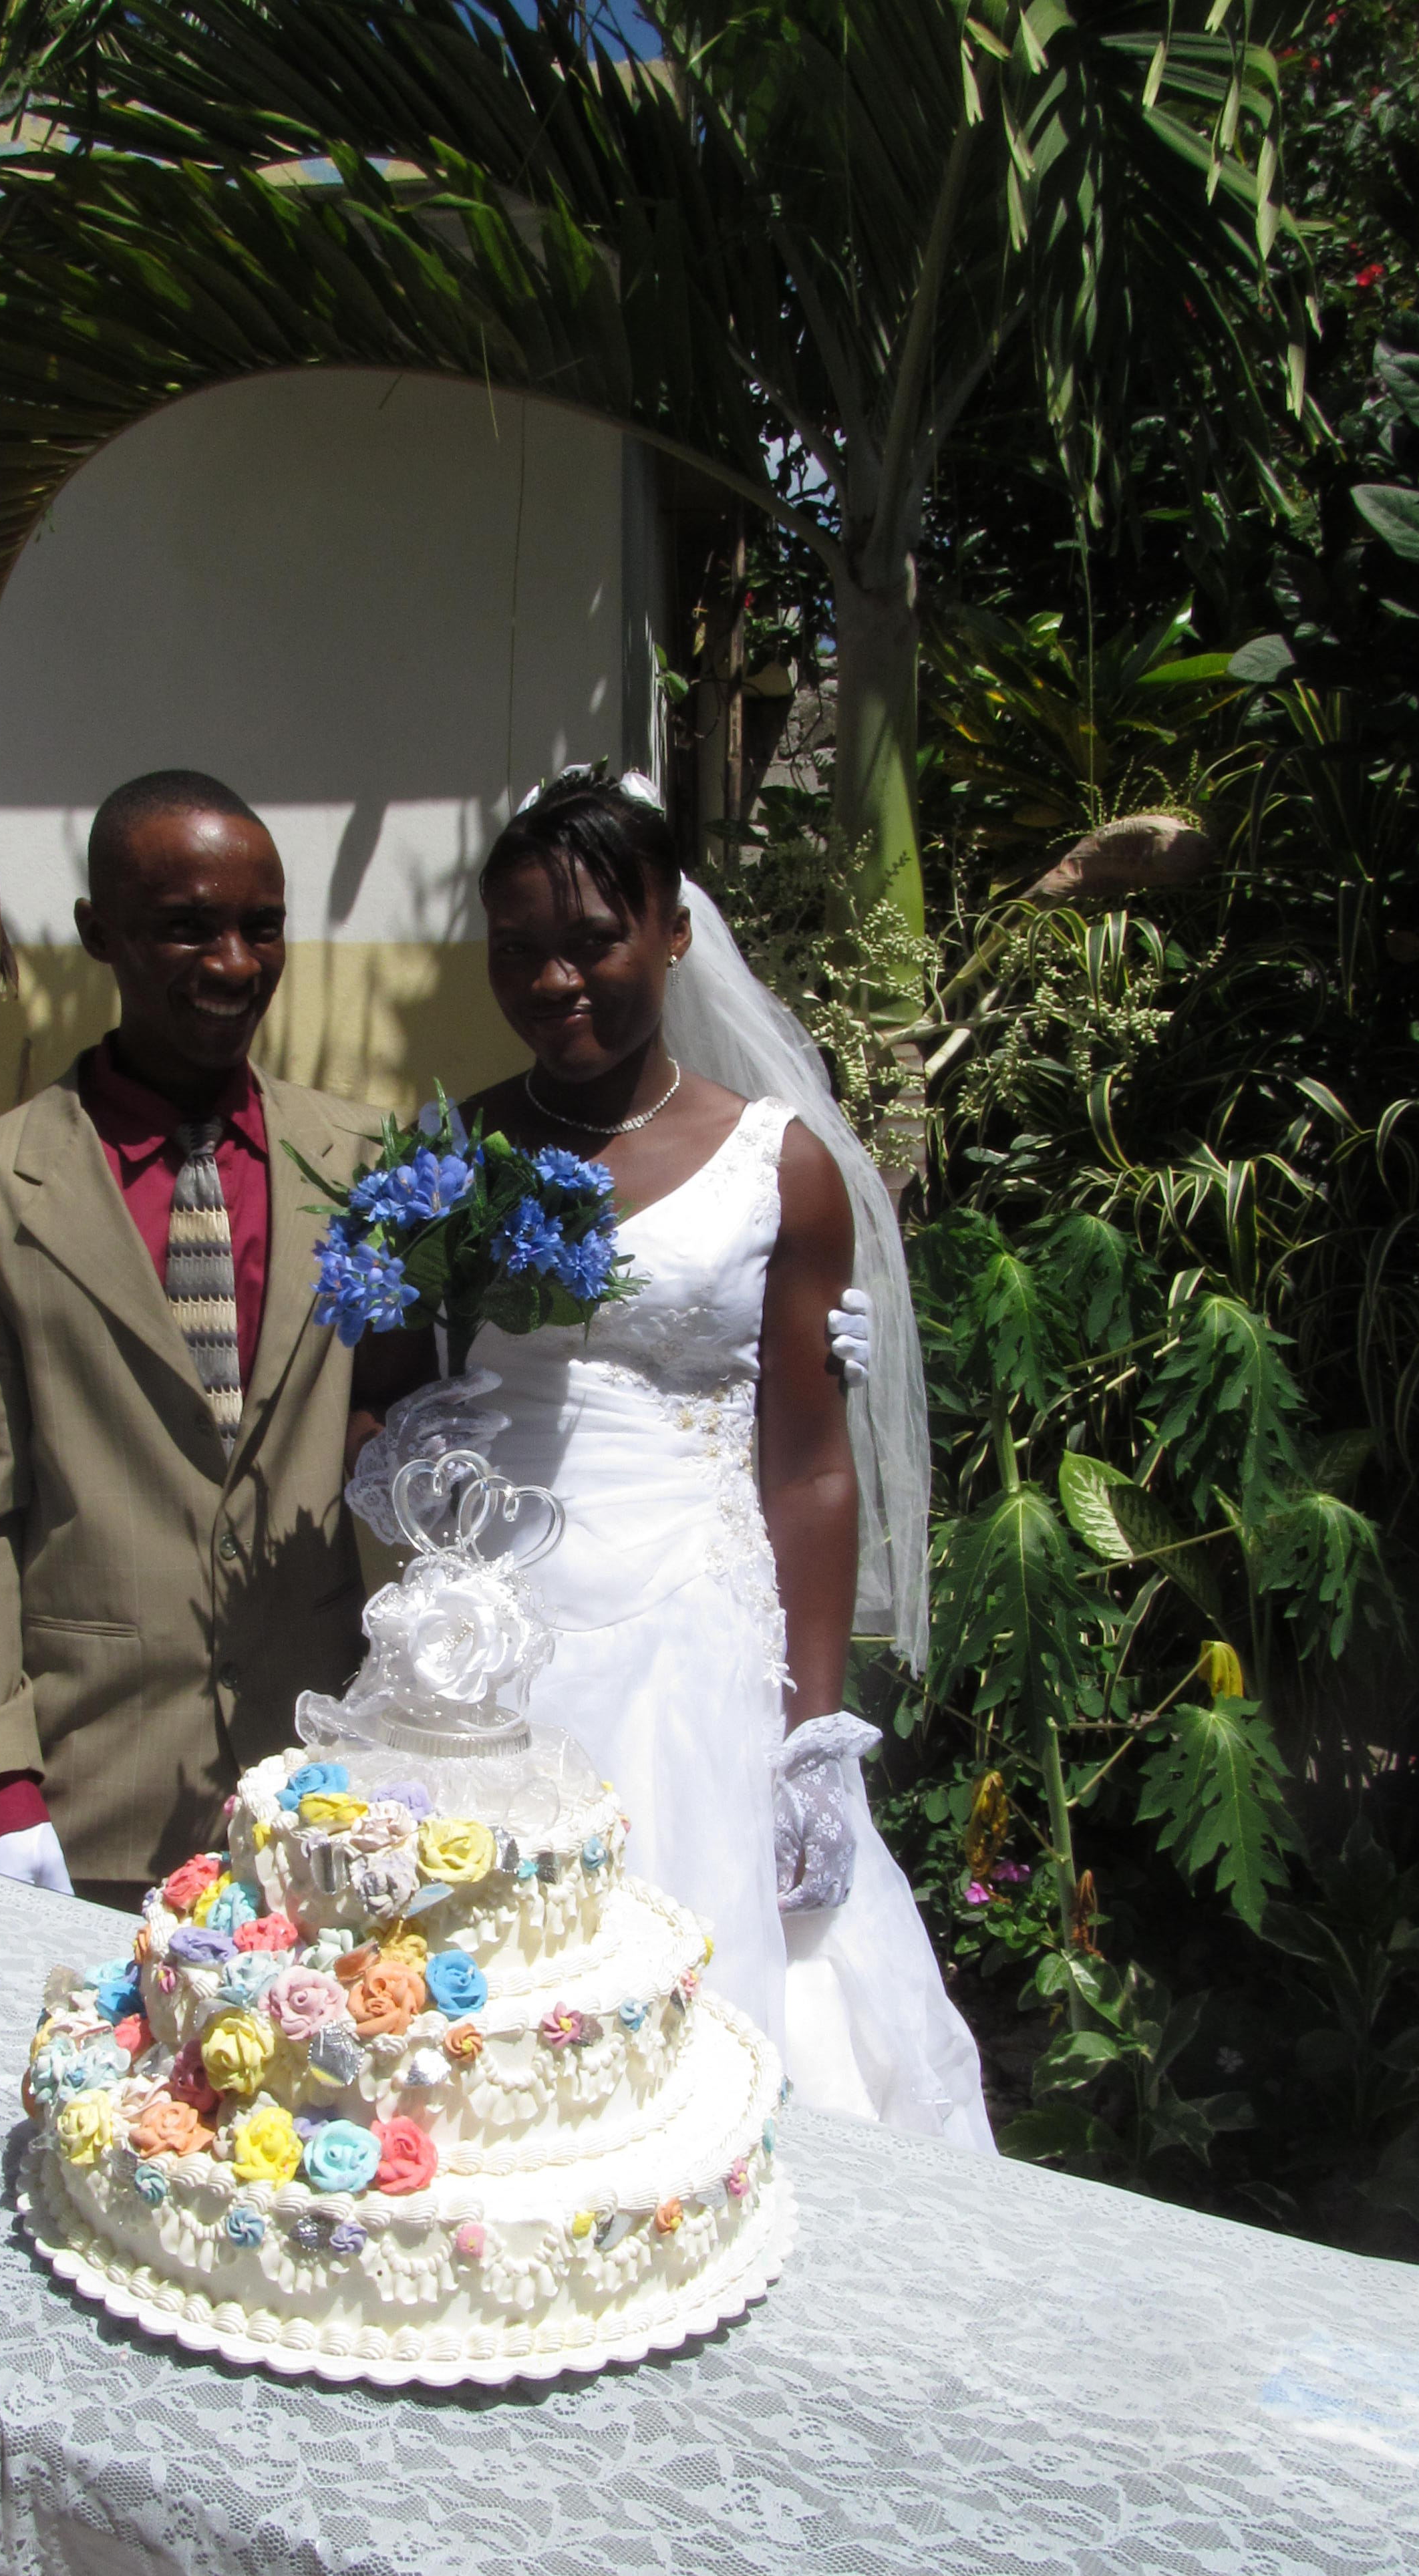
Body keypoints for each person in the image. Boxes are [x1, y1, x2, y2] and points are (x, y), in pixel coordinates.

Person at [348, 768, 991, 2146]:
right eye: (518, 950)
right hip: (484, 1638)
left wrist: (813, 1735)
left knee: (704, 1983)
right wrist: (417, 1479)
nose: (555, 978)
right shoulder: (450, 1150)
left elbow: (813, 1467)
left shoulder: (782, 1166)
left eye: (594, 940)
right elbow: (379, 1405)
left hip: (693, 1635)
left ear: (676, 932)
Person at [0, 769, 429, 1903]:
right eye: (187, 929)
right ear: (99, 932)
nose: (234, 964)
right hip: (97, 1794)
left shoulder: (369, 1168)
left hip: (327, 1780)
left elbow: (419, 1422)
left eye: (261, 927)